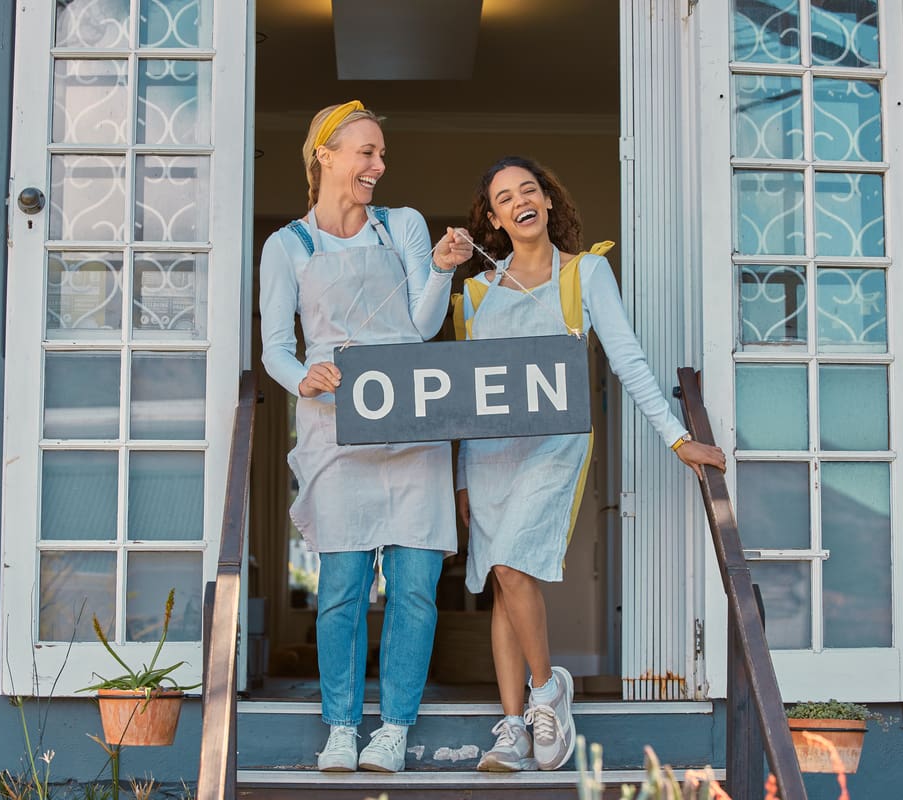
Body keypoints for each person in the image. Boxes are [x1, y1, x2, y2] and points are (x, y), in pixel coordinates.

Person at [453, 156, 726, 773]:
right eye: (504, 197)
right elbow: (467, 398)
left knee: (513, 564)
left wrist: (678, 439)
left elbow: (628, 361)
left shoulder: (586, 273)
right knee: (502, 580)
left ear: (548, 203)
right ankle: (511, 729)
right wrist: (463, 475)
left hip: (556, 444)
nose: (519, 200)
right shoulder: (474, 293)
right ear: (492, 219)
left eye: (530, 189)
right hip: (491, 452)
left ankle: (547, 692)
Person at [258, 101, 472, 774]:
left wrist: (439, 268)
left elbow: (422, 326)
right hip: (335, 427)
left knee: (414, 584)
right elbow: (272, 349)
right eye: (366, 153)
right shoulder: (287, 246)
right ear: (325, 154)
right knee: (344, 585)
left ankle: (394, 729)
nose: (378, 167)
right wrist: (306, 378)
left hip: (411, 421)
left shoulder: (401, 225)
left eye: (381, 154)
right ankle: (344, 727)